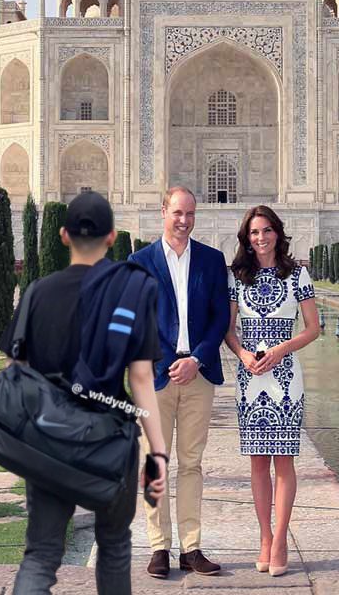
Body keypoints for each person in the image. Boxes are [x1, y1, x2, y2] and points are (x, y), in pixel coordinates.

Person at [0, 191, 167, 595]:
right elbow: (142, 380)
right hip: (109, 442)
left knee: (41, 552)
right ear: (112, 237)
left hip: (50, 441)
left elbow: (16, 375)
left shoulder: (38, 293)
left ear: (62, 235)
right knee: (113, 547)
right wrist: (157, 452)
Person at [129, 186, 230, 579]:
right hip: (156, 375)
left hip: (199, 375)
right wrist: (173, 361)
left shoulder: (211, 259)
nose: (184, 220)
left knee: (192, 464)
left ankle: (191, 547)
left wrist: (197, 359)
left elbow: (220, 318)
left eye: (190, 214)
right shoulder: (139, 261)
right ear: (163, 213)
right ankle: (159, 548)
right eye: (177, 213)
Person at [224, 205, 320, 578]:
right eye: (253, 233)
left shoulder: (297, 275)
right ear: (246, 239)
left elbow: (313, 328)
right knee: (258, 463)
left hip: (285, 377)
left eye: (266, 231)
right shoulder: (238, 277)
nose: (260, 238)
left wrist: (280, 350)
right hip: (250, 377)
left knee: (284, 461)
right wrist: (244, 354)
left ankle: (280, 540)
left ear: (277, 233)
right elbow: (228, 330)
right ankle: (264, 537)